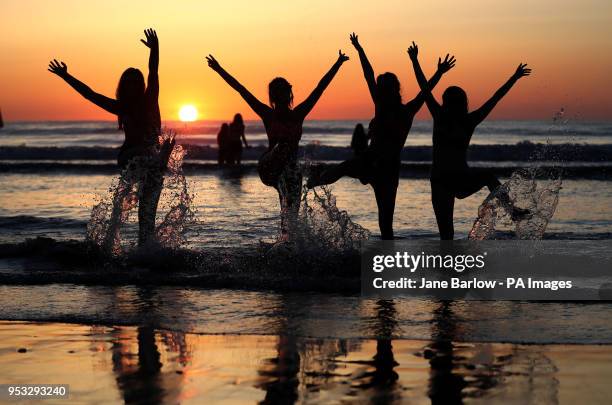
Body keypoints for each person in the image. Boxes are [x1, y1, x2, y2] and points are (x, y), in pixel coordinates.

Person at [307, 33, 453, 240]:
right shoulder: (382, 106)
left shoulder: (405, 110)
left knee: (386, 223)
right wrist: (360, 50)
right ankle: (315, 180)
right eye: (380, 88)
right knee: (342, 168)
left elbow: (425, 91)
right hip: (370, 159)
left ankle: (386, 261)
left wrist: (437, 72)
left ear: (394, 90)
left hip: (388, 169)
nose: (380, 91)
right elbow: (369, 74)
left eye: (384, 88)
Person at [48, 28, 174, 251]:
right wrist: (66, 75)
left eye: (136, 81)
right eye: (128, 82)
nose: (133, 85)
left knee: (147, 212)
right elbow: (90, 94)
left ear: (142, 85)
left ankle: (145, 253)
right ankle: (160, 157)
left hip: (152, 162)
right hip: (130, 157)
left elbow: (153, 71)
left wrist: (155, 49)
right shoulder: (120, 106)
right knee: (149, 155)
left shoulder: (150, 99)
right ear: (123, 86)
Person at [206, 50, 348, 241]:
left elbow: (319, 89)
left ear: (288, 94)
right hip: (269, 166)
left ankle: (287, 245)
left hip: (288, 173)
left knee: (290, 214)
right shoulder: (267, 114)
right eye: (277, 92)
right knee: (283, 152)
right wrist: (219, 69)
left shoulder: (299, 113)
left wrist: (338, 63)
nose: (280, 96)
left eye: (283, 91)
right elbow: (241, 89)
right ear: (273, 96)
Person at [408, 41, 532, 240]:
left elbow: (424, 89)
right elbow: (495, 97)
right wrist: (514, 77)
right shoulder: (462, 119)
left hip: (450, 178)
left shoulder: (447, 116)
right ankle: (512, 212)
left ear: (446, 101)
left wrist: (415, 61)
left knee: (447, 235)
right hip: (446, 181)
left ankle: (513, 212)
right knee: (447, 234)